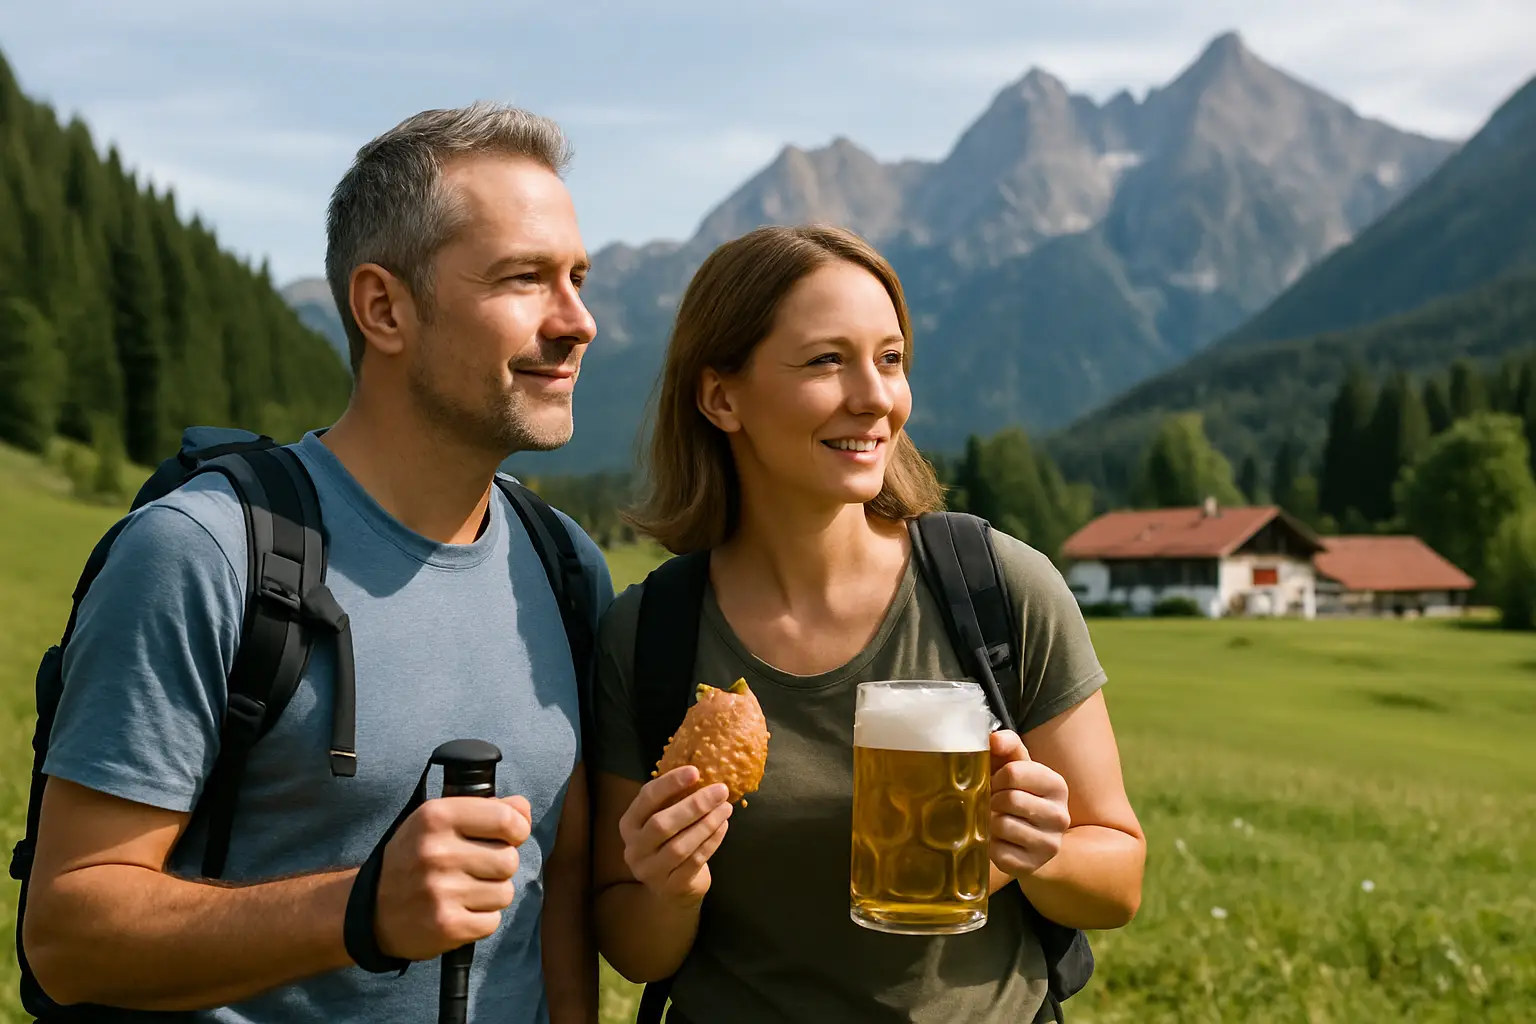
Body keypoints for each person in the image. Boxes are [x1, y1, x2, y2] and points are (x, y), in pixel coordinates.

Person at [22, 102, 612, 1023]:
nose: (577, 322)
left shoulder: (567, 568)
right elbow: (67, 937)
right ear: (384, 307)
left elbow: (558, 906)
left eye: (577, 278)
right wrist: (361, 909)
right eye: (524, 279)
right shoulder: (204, 551)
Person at [589, 225, 1146, 1023]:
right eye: (826, 360)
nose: (877, 397)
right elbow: (633, 946)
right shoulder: (649, 635)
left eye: (889, 359)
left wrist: (1041, 853)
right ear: (721, 397)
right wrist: (671, 890)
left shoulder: (998, 588)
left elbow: (1118, 878)